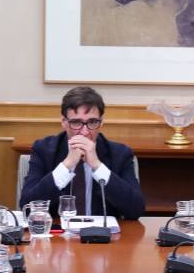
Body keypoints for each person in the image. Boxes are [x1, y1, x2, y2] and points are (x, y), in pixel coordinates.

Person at [19, 86, 145, 220]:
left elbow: (136, 210)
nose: (84, 132)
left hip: (104, 237)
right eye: (76, 122)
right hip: (57, 236)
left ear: (101, 122)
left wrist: (97, 166)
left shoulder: (120, 154)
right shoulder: (43, 150)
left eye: (92, 122)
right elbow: (27, 208)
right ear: (64, 123)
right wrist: (67, 164)